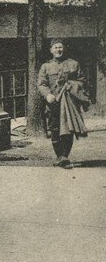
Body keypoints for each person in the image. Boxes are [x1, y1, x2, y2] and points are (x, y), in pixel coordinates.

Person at [37, 39, 90, 169]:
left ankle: (65, 156)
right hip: (53, 104)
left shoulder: (73, 64)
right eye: (55, 48)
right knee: (54, 130)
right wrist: (47, 95)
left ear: (64, 49)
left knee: (68, 129)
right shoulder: (46, 66)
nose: (58, 50)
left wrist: (71, 85)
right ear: (51, 50)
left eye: (60, 47)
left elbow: (82, 81)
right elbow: (42, 84)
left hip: (69, 104)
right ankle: (59, 156)